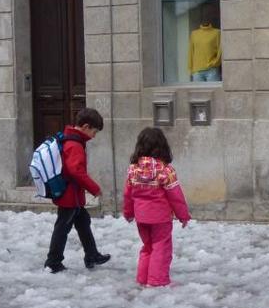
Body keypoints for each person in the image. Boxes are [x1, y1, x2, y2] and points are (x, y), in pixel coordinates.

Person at [44, 108, 111, 274]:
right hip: (70, 196)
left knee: (83, 222)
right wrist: (94, 188)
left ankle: (92, 255)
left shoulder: (71, 140)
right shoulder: (75, 145)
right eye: (94, 131)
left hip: (72, 195)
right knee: (62, 228)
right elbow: (75, 171)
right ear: (86, 126)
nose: (94, 135)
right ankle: (53, 262)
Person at [122, 127, 191, 287]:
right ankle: (156, 281)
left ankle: (143, 278)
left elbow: (127, 195)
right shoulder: (166, 171)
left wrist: (128, 213)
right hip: (160, 218)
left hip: (141, 217)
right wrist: (183, 215)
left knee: (147, 247)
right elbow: (176, 197)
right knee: (161, 248)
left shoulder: (133, 170)